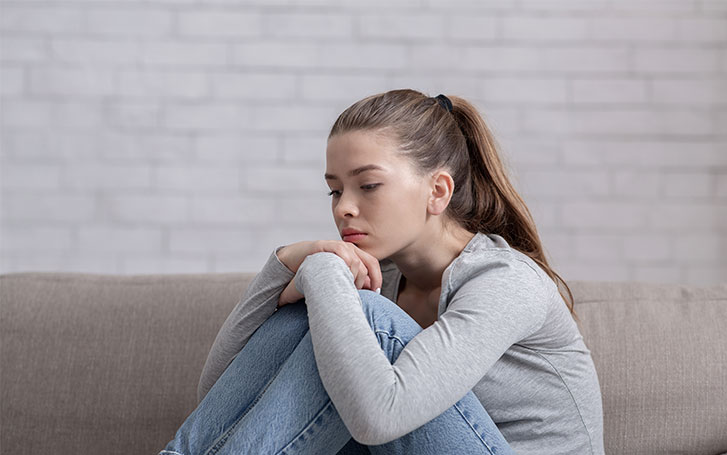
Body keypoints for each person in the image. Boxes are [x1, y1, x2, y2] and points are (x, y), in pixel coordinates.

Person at [159, 89, 605, 454]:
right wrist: (284, 263)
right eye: (334, 191)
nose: (345, 208)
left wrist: (320, 270)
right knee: (325, 314)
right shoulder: (384, 277)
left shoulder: (507, 281)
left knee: (358, 313)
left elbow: (381, 416)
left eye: (368, 185)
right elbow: (222, 393)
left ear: (438, 190)